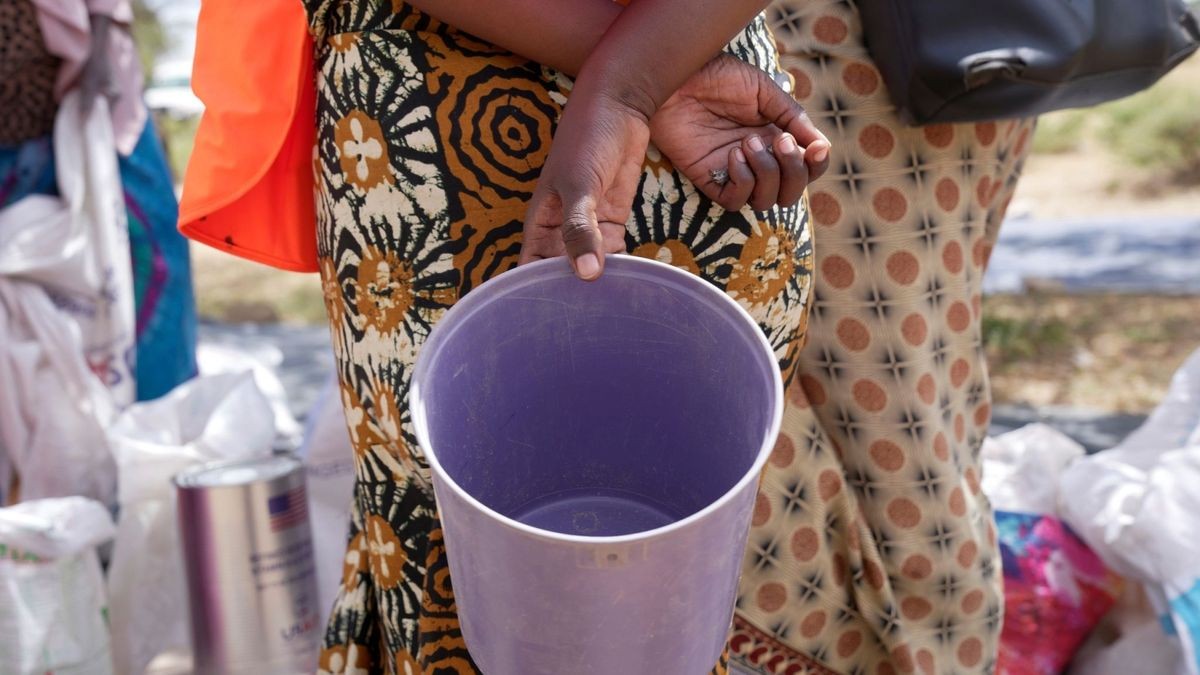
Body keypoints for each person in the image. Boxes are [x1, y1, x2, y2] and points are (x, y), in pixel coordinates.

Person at [183, 0, 832, 672]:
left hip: (443, 132)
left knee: (461, 586)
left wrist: (631, 88)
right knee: (673, 605)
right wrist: (641, 78)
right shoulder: (670, 80)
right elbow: (642, 71)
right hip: (710, 117)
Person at [725, 3, 1037, 673]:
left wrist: (623, 87)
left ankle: (919, 654)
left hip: (858, 69)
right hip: (938, 46)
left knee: (900, 441)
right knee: (913, 408)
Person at [0, 0, 198, 402]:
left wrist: (99, 48)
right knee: (23, 280)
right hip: (13, 125)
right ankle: (58, 415)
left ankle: (158, 408)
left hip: (90, 88)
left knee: (155, 257)